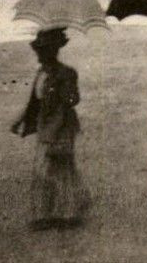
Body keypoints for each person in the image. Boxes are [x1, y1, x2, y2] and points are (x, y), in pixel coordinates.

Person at [11, 28, 91, 229]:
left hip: (62, 125)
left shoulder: (66, 73)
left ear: (54, 51)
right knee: (49, 169)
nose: (39, 54)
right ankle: (53, 213)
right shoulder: (41, 73)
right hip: (45, 125)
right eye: (38, 50)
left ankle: (65, 214)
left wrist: (61, 90)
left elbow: (73, 100)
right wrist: (20, 119)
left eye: (44, 50)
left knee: (58, 168)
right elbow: (35, 102)